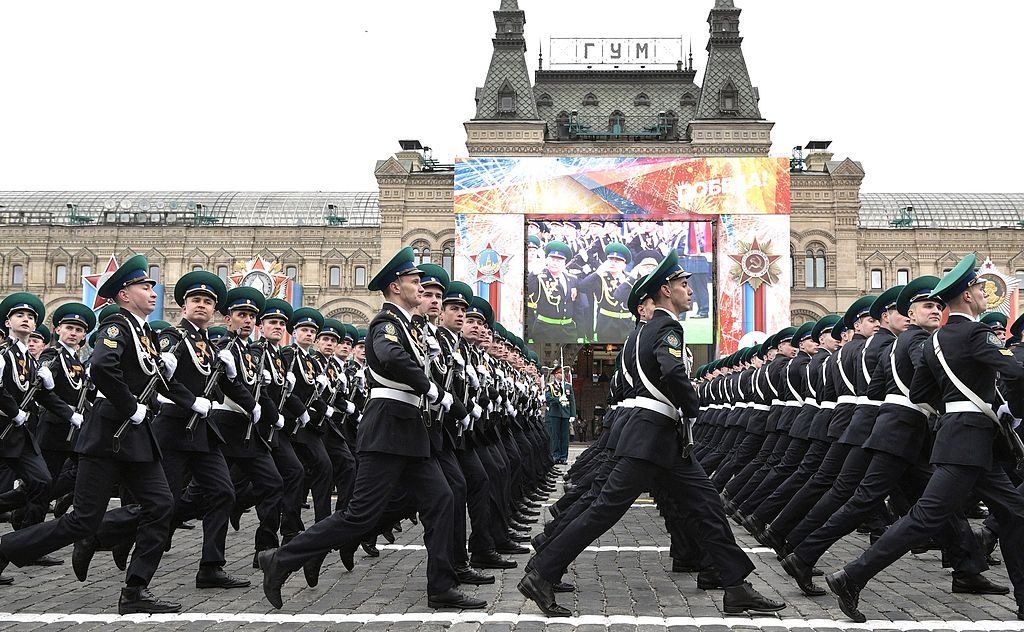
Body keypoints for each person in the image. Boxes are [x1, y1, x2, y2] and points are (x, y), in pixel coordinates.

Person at [518, 250, 785, 617]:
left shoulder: (644, 331)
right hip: (651, 436)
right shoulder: (667, 327)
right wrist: (692, 407)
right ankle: (542, 573)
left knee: (706, 505)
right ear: (664, 290)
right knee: (603, 509)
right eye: (682, 284)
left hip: (659, 439)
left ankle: (736, 585)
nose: (689, 290)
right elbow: (673, 373)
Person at [259, 246, 485, 611]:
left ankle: (441, 587)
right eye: (415, 282)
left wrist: (449, 401)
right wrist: (430, 389)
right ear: (396, 286)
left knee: (443, 498)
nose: (420, 288)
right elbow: (392, 358)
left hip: (410, 431)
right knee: (360, 514)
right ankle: (281, 558)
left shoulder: (408, 327)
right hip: (387, 429)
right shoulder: (386, 324)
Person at [828, 254, 1024, 623]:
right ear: (967, 296)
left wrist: (957, 409)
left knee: (1015, 513)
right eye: (980, 289)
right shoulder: (976, 333)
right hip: (968, 445)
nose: (984, 294)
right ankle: (851, 576)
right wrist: (1004, 408)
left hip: (963, 440)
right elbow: (1014, 370)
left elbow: (921, 391)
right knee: (924, 519)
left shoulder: (935, 341)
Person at [0, 255, 189, 613]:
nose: (152, 292)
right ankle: (8, 548)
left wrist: (192, 401)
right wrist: (131, 406)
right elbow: (103, 367)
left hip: (134, 436)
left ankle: (134, 590)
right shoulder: (116, 325)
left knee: (162, 504)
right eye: (144, 286)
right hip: (109, 431)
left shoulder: (143, 331)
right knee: (81, 519)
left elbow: (159, 379)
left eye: (152, 286)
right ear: (123, 294)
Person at [544, 366, 575, 464]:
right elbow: (548, 398)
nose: (562, 375)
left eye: (563, 373)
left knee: (565, 437)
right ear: (555, 374)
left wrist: (572, 414)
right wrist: (558, 400)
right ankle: (556, 455)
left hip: (565, 414)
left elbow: (572, 401)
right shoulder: (550, 386)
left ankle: (563, 457)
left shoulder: (568, 386)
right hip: (555, 413)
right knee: (555, 436)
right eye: (559, 373)